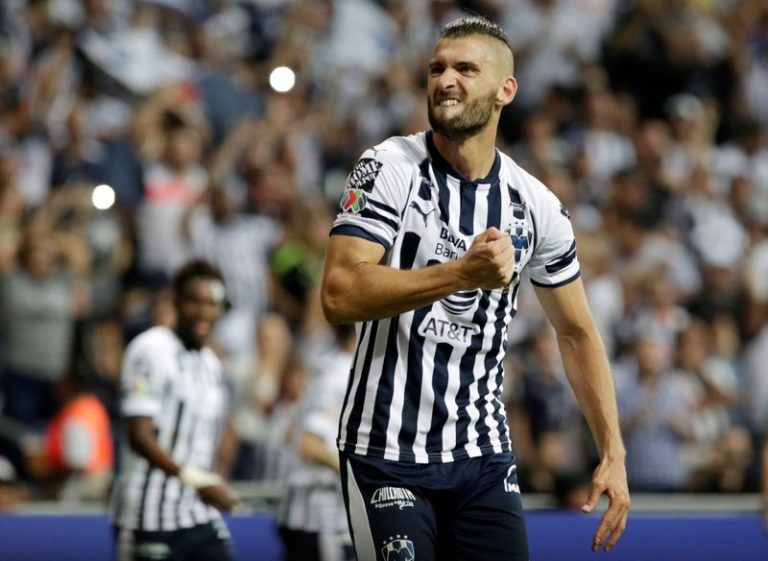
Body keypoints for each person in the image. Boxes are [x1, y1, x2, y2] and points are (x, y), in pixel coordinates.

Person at [320, 16, 629, 561]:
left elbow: (578, 333)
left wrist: (612, 450)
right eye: (437, 68)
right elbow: (340, 294)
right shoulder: (387, 167)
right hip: (384, 451)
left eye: (465, 68)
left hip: (482, 454)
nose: (445, 80)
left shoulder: (536, 205)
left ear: (505, 90)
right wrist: (463, 274)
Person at [110, 260, 239, 561]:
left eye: (213, 304)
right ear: (177, 303)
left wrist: (214, 478)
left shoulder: (210, 363)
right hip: (149, 516)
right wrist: (198, 481)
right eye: (194, 301)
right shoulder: (151, 350)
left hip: (196, 512)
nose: (204, 312)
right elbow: (139, 436)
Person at [277, 323, 357, 561]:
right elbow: (309, 444)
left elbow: (292, 433)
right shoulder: (340, 376)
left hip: (318, 513)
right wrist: (361, 473)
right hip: (318, 516)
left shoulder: (332, 367)